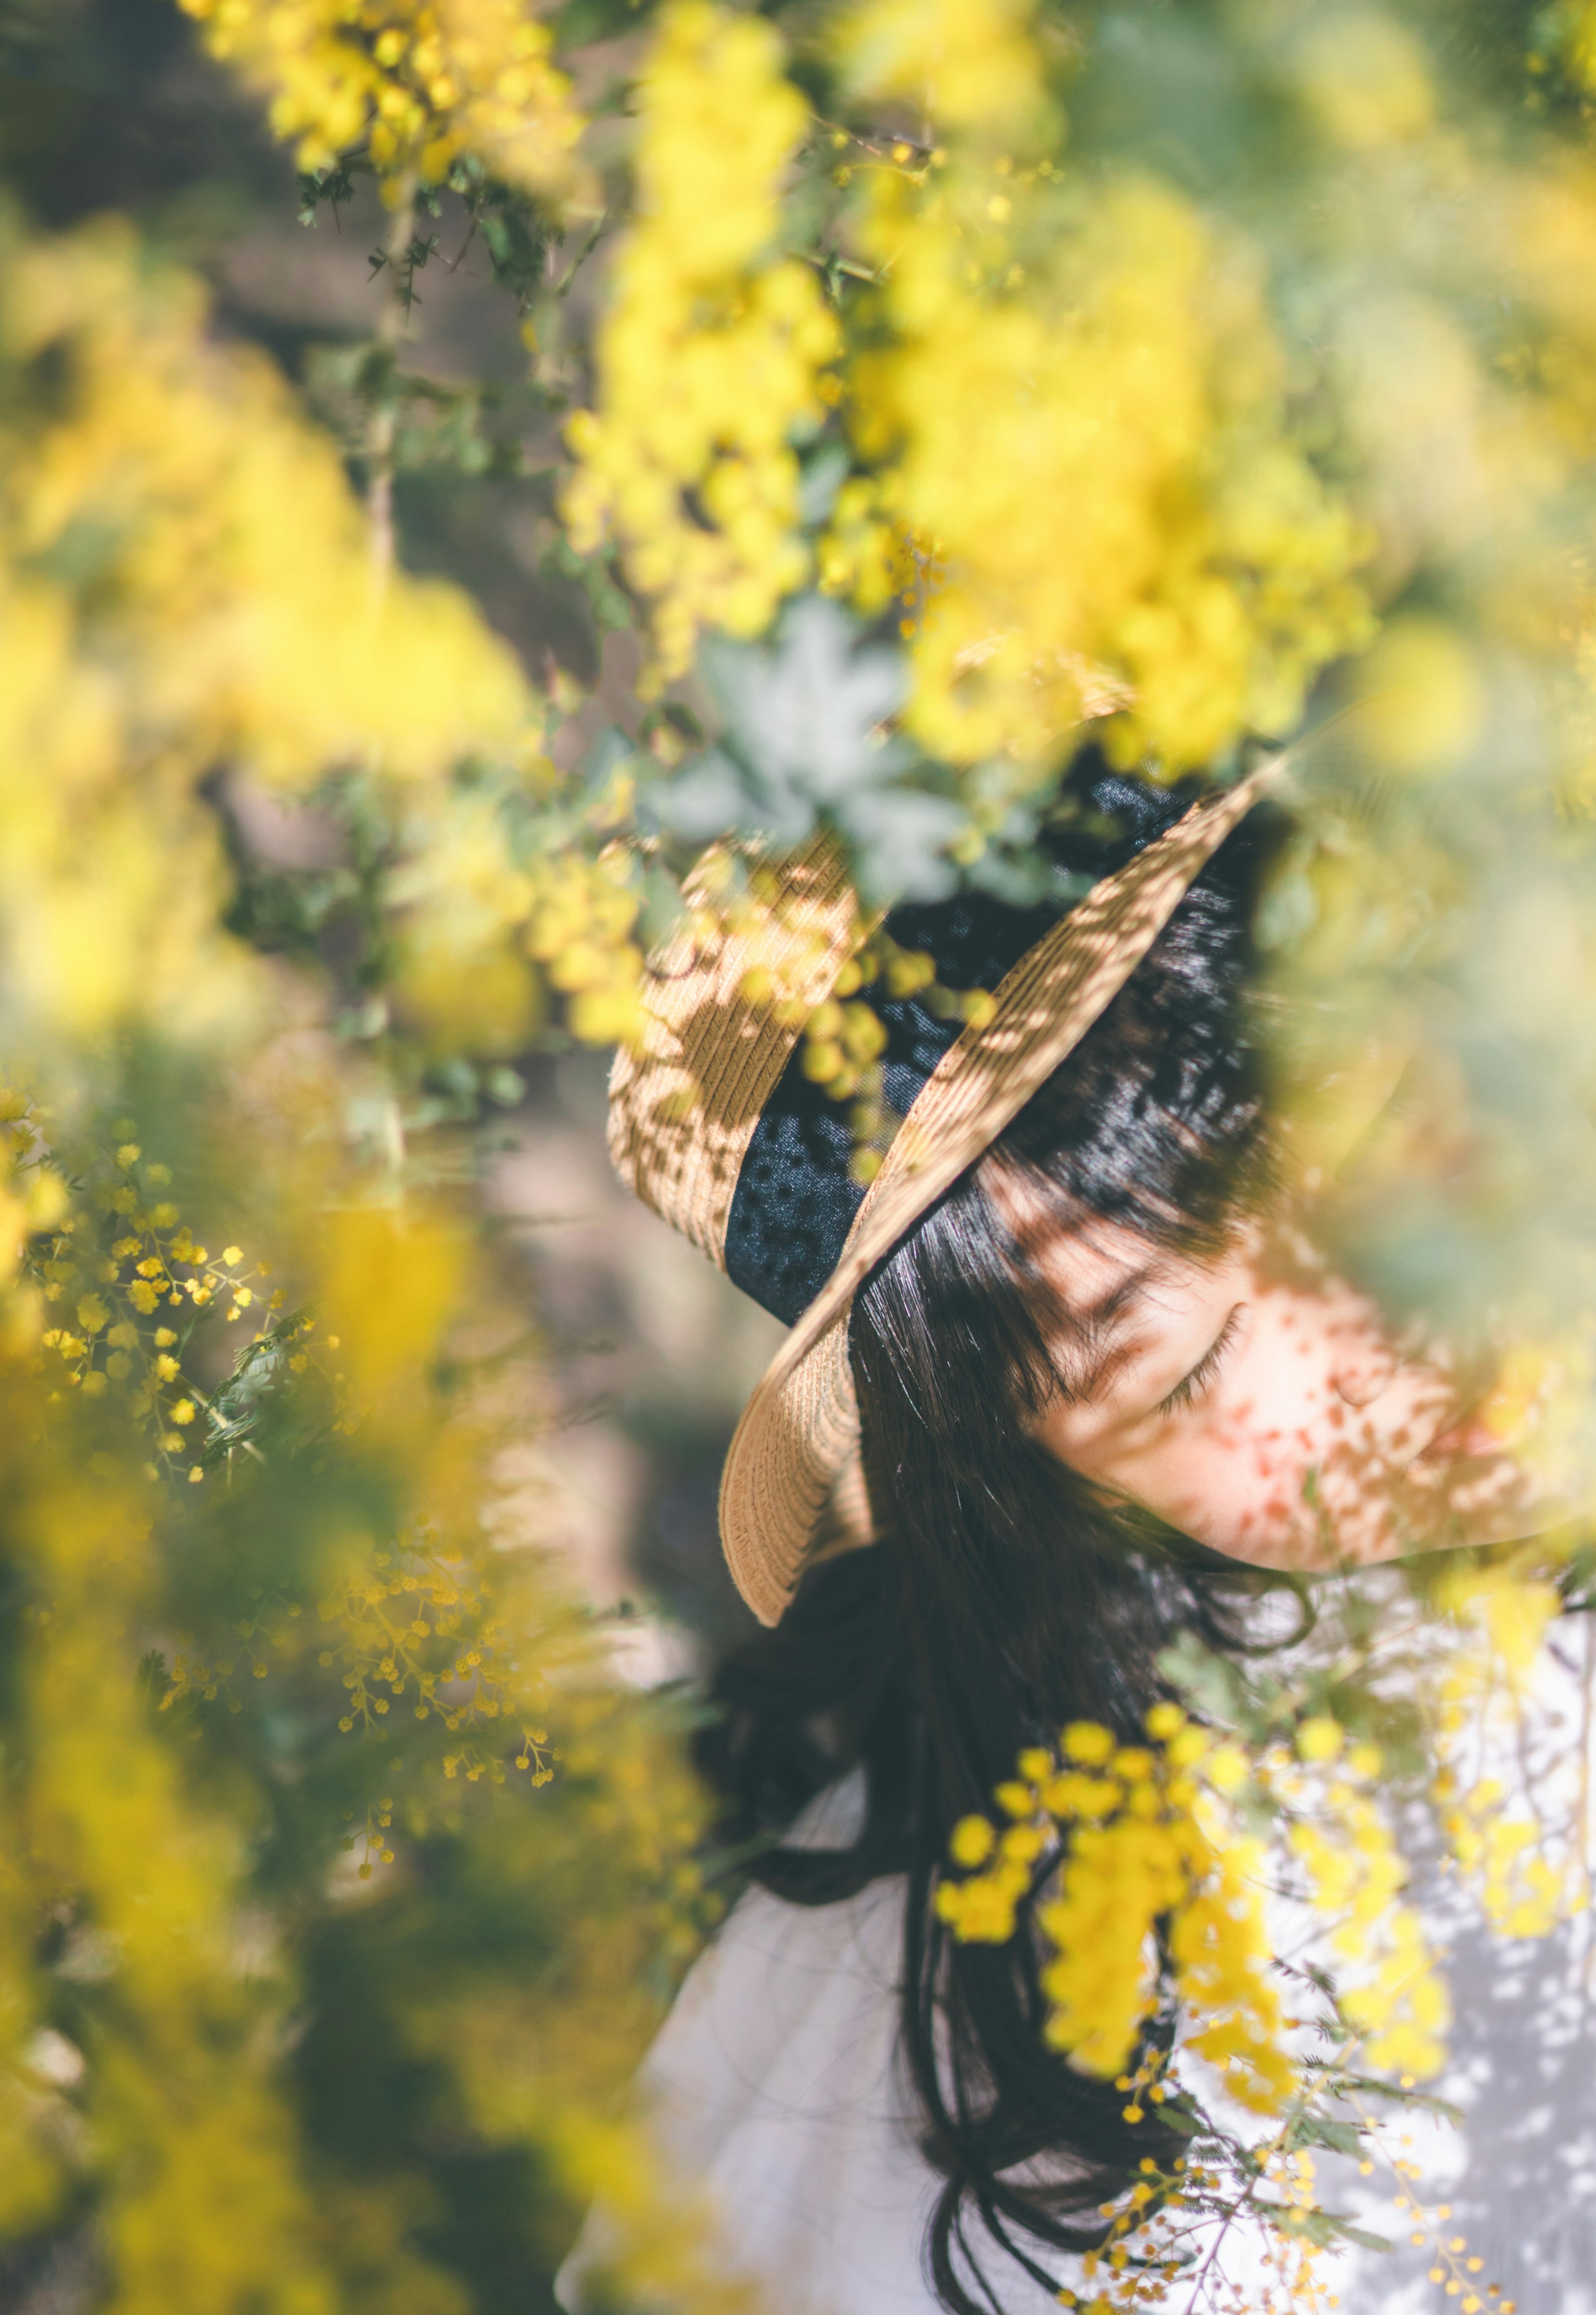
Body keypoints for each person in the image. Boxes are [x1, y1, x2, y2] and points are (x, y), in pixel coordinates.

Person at [559, 763, 1534, 2315]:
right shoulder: (985, 2050)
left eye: (1381, 1119)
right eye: (1192, 1365)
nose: (1390, 1306)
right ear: (1042, 1482)